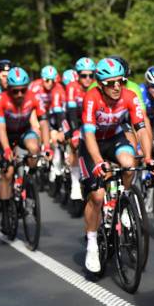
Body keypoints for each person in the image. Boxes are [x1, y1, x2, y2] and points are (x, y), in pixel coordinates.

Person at [79, 58, 154, 274]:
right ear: (100, 85)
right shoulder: (91, 98)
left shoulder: (130, 96)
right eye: (110, 83)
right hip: (92, 144)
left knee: (129, 165)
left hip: (114, 138)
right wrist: (99, 161)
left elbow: (140, 128)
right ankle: (92, 243)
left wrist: (148, 156)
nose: (116, 87)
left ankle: (124, 199)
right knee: (97, 196)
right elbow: (89, 135)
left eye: (119, 82)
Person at [0, 67, 50, 234]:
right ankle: (5, 213)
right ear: (9, 89)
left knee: (34, 148)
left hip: (24, 131)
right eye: (15, 91)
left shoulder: (34, 98)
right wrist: (5, 149)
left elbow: (44, 123)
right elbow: (1, 129)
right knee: (8, 173)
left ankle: (29, 179)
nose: (19, 94)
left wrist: (46, 146)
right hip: (6, 135)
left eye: (22, 90)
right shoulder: (1, 100)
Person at [29, 65, 68, 183]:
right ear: (42, 79)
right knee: (36, 128)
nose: (50, 83)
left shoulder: (59, 88)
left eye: (52, 80)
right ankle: (39, 150)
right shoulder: (34, 87)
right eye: (47, 80)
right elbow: (30, 108)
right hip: (36, 112)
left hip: (51, 114)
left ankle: (55, 161)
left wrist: (61, 128)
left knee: (56, 135)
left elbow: (62, 111)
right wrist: (35, 125)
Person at [65, 57, 96, 203]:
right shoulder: (72, 87)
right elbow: (70, 112)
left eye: (91, 75)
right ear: (78, 75)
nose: (88, 79)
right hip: (71, 119)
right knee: (75, 144)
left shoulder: (96, 86)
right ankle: (75, 183)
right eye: (84, 75)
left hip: (88, 120)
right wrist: (74, 132)